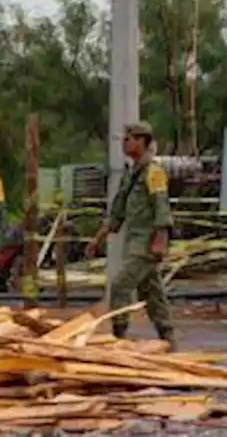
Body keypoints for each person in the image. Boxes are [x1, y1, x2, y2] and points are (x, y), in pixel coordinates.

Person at [85, 122, 175, 348]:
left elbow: (161, 207)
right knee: (152, 294)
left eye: (130, 138)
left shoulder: (153, 172)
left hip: (146, 244)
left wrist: (160, 241)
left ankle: (118, 336)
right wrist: (97, 239)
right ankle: (169, 340)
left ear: (142, 141)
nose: (125, 143)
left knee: (120, 286)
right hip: (134, 242)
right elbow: (117, 214)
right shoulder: (131, 174)